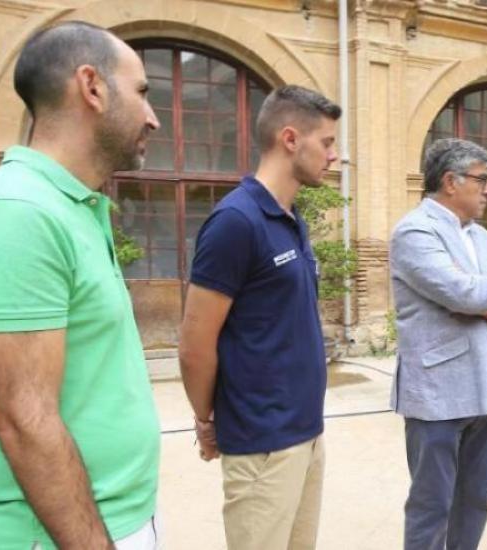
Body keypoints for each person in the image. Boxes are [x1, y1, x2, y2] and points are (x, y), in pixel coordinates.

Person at [0, 21, 162, 549]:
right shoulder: (15, 215)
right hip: (63, 536)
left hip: (117, 520)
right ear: (92, 87)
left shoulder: (71, 206)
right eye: (143, 92)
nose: (152, 118)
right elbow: (25, 421)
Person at [177, 85, 340, 550]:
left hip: (307, 435)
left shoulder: (291, 219)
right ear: (291, 139)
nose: (334, 155)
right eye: (326, 143)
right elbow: (195, 342)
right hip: (261, 444)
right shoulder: (236, 221)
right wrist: (206, 419)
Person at [390, 138, 487, 550]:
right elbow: (462, 293)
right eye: (482, 180)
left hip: (483, 389)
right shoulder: (415, 231)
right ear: (451, 182)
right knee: (432, 504)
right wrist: (484, 295)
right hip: (436, 396)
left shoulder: (481, 238)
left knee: (474, 500)